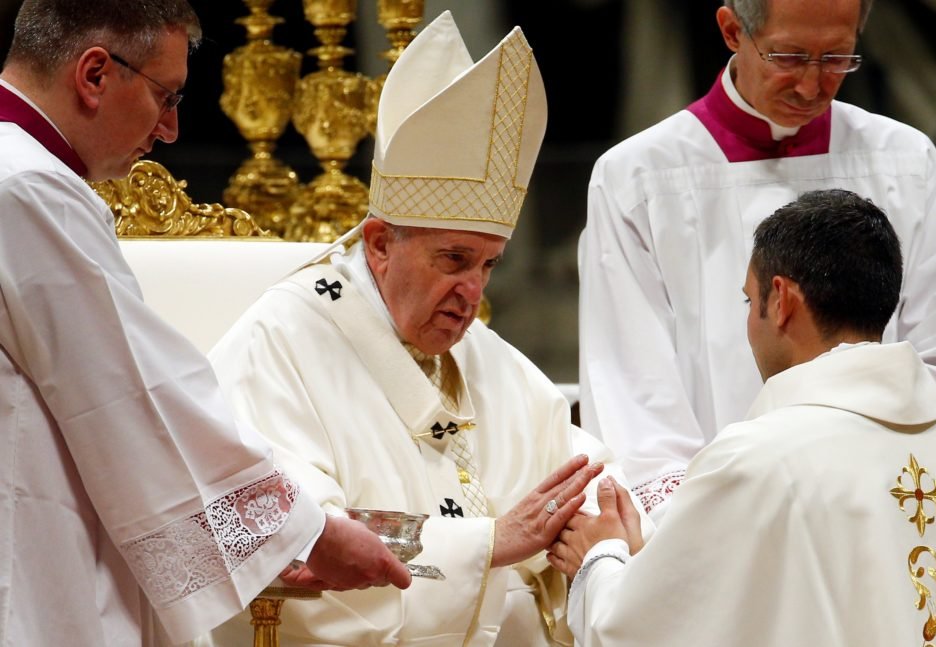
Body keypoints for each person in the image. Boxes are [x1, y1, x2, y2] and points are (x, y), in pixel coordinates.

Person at [199, 11, 651, 647]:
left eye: (489, 265)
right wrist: (488, 543)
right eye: (454, 260)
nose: (473, 292)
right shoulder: (278, 342)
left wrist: (606, 524)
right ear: (380, 244)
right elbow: (288, 537)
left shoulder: (473, 347)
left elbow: (578, 464)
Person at [0, 1, 412, 645]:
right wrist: (305, 532)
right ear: (95, 74)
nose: (169, 129)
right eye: (165, 96)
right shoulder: (27, 189)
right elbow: (133, 398)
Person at [577, 0, 936, 522]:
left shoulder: (903, 162)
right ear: (732, 30)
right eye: (789, 57)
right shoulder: (638, 178)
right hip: (724, 516)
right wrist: (700, 521)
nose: (811, 86)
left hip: (880, 506)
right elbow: (631, 385)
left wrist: (870, 483)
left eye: (837, 58)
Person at [551, 189, 936, 646]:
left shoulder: (757, 463)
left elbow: (640, 630)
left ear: (781, 301)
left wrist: (601, 557)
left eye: (748, 300)